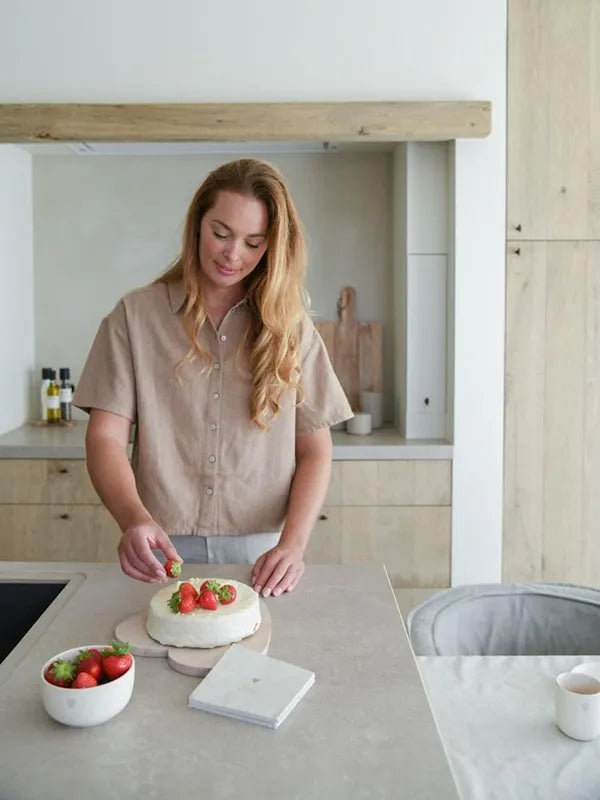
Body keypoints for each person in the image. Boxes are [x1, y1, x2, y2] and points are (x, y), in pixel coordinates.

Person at [73, 158, 353, 598]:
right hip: (158, 546)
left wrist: (293, 546)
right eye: (221, 233)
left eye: (253, 243)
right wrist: (133, 520)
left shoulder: (292, 329)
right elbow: (105, 438)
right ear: (197, 225)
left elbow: (315, 450)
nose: (232, 254)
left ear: (272, 247)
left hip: (261, 554)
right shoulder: (134, 317)